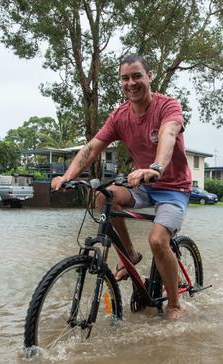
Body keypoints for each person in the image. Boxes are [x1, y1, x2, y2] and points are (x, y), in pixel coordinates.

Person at [51, 54, 192, 320]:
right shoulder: (119, 116)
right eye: (125, 78)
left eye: (137, 75)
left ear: (149, 77)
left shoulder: (168, 106)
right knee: (103, 197)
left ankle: (174, 304)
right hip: (142, 185)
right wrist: (67, 176)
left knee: (158, 240)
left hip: (174, 187)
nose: (131, 83)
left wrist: (156, 168)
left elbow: (169, 134)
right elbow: (92, 147)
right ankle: (129, 254)